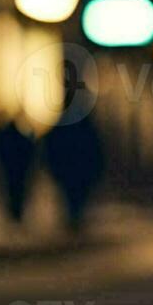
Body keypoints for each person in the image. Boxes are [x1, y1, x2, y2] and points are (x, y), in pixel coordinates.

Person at [43, 99, 104, 232]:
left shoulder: (63, 125)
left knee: (72, 196)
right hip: (76, 170)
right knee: (75, 196)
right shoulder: (85, 127)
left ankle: (74, 219)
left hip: (71, 170)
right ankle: (74, 220)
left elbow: (51, 147)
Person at [0, 120, 35, 223]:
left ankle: (14, 214)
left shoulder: (5, 138)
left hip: (12, 172)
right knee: (17, 192)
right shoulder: (19, 138)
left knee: (12, 192)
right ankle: (15, 214)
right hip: (17, 172)